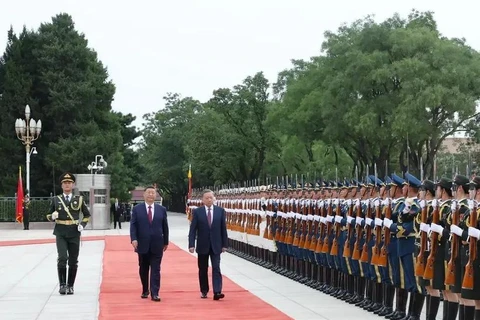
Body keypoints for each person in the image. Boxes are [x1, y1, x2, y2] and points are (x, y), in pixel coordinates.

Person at [46, 173, 91, 295]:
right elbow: (48, 215)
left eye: (69, 183)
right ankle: (62, 285)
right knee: (62, 258)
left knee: (73, 260)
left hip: (74, 232)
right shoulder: (56, 199)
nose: (67, 185)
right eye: (65, 183)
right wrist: (52, 217)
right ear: (61, 185)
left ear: (73, 185)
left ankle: (70, 285)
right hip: (60, 231)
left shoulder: (79, 199)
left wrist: (83, 224)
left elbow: (87, 215)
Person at [130, 186, 169, 302]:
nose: (151, 195)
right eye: (148, 192)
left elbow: (165, 227)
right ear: (144, 195)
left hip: (157, 244)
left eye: (153, 193)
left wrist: (166, 241)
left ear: (156, 195)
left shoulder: (162, 209)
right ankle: (145, 289)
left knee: (156, 269)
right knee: (143, 268)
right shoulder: (137, 209)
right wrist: (134, 239)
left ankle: (155, 293)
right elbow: (133, 225)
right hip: (142, 243)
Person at [188, 189, 228, 300]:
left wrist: (225, 244)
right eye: (207, 198)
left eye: (211, 197)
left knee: (216, 267)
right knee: (203, 269)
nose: (209, 200)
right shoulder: (197, 212)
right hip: (202, 245)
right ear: (203, 200)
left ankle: (217, 291)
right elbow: (193, 230)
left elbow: (223, 229)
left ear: (214, 198)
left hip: (216, 245)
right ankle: (204, 290)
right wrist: (191, 244)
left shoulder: (220, 211)